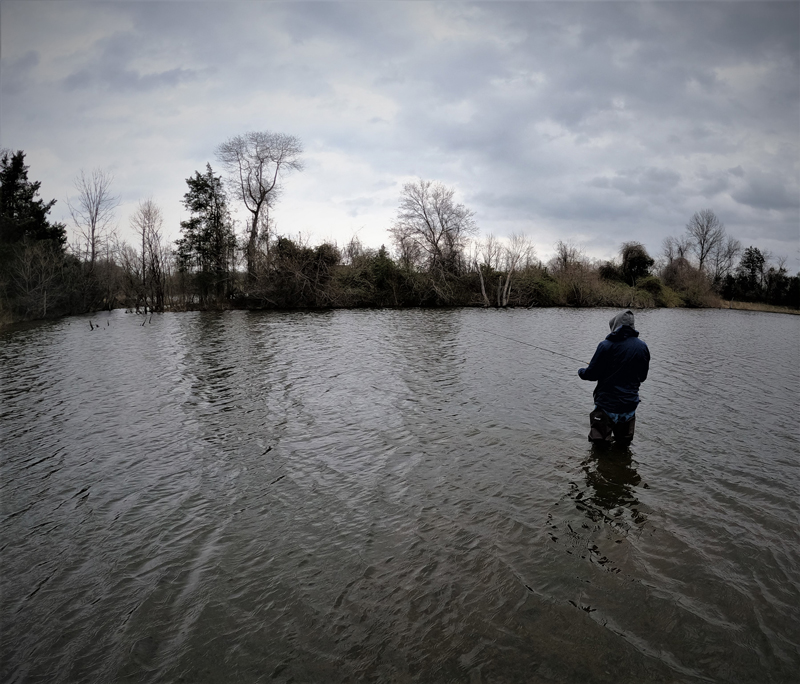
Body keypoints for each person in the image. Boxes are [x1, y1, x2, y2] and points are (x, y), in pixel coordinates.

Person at [578, 310, 650, 445]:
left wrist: (581, 371)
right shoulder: (642, 347)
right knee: (623, 447)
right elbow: (642, 377)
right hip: (629, 406)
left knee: (599, 447)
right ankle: (619, 465)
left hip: (606, 405)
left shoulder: (605, 346)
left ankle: (603, 464)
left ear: (615, 325)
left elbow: (591, 374)